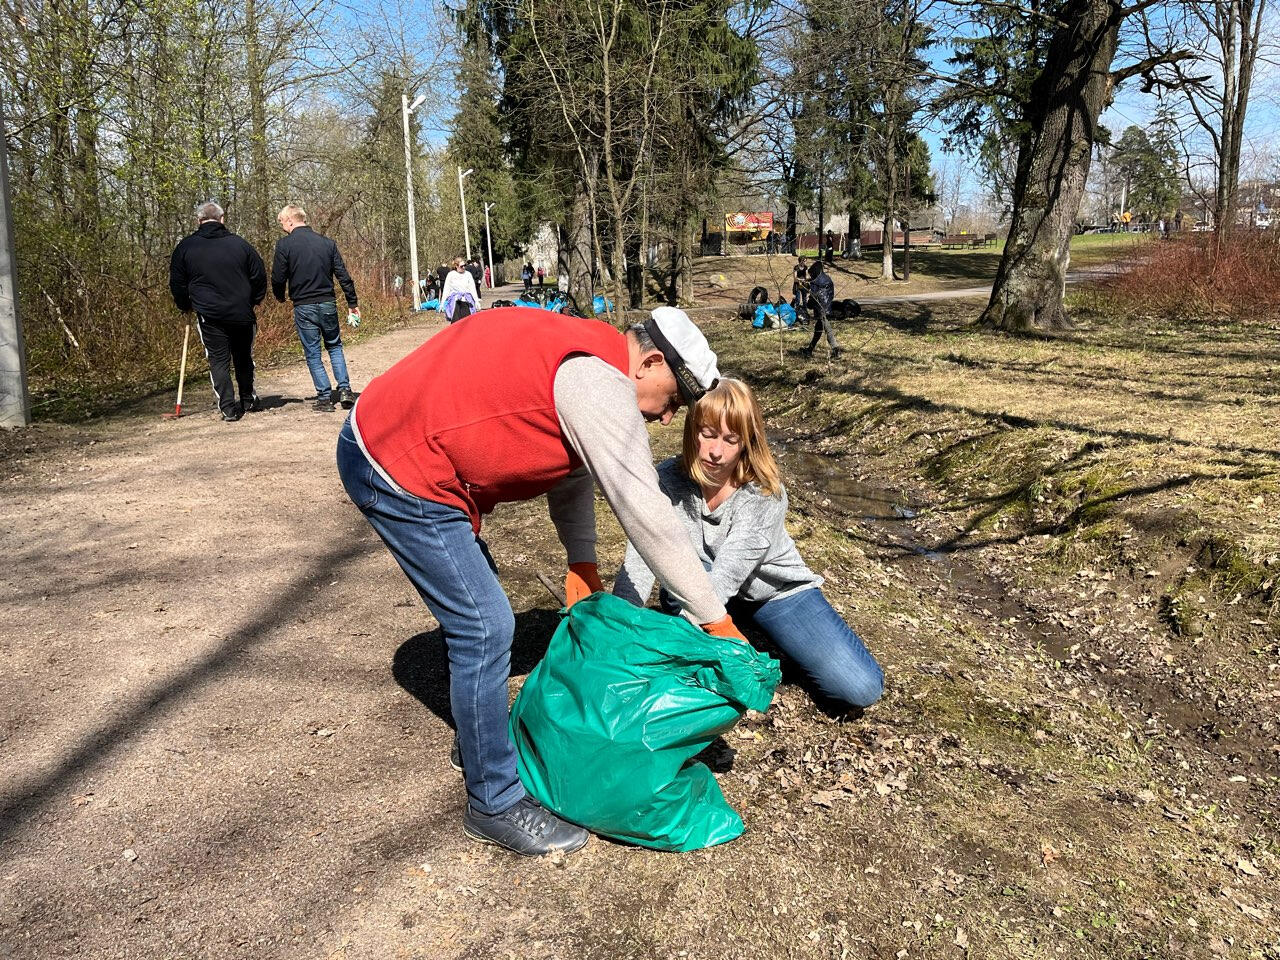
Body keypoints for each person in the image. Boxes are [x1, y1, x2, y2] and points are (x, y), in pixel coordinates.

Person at [337, 305, 748, 857]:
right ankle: (494, 799)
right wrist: (714, 618)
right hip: (394, 461)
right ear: (649, 362)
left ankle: (483, 739)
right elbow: (647, 514)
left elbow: (572, 473)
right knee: (483, 627)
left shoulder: (587, 358)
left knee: (481, 618)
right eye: (673, 400)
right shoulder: (599, 382)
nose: (670, 417)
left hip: (401, 442)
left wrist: (581, 560)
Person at [614, 378, 883, 712]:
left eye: (731, 439)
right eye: (708, 434)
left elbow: (728, 574)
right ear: (691, 430)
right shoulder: (666, 479)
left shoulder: (764, 494)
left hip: (772, 593)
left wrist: (677, 642)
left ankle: (760, 632)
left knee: (860, 688)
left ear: (747, 441)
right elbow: (643, 551)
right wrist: (616, 627)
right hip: (700, 587)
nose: (716, 451)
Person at [169, 201, 266, 422]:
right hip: (241, 313)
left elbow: (177, 283)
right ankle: (248, 399)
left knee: (218, 360)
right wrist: (253, 300)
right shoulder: (241, 245)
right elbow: (259, 275)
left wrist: (185, 304)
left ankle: (228, 408)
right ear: (222, 219)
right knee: (243, 357)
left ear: (199, 220)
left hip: (209, 315)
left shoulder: (185, 247)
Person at [272, 204, 360, 411]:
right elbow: (343, 275)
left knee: (313, 352)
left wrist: (279, 296)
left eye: (282, 222)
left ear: (291, 220)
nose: (282, 225)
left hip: (304, 305)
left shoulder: (285, 245)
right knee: (334, 346)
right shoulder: (327, 243)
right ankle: (345, 390)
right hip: (327, 302)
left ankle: (324, 397)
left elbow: (278, 277)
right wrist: (352, 303)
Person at [802, 261, 841, 358]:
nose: (811, 276)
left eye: (811, 274)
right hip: (826, 307)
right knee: (818, 329)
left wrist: (809, 302)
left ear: (815, 272)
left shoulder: (818, 283)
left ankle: (836, 350)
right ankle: (810, 349)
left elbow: (815, 298)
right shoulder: (826, 279)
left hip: (821, 308)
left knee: (827, 327)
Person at [440, 257, 480, 321]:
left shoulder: (468, 274)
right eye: (461, 266)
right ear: (456, 266)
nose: (464, 267)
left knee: (468, 322)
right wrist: (442, 303)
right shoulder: (451, 275)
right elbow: (446, 289)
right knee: (456, 323)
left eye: (465, 265)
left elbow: (472, 288)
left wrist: (476, 301)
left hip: (466, 301)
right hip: (455, 302)